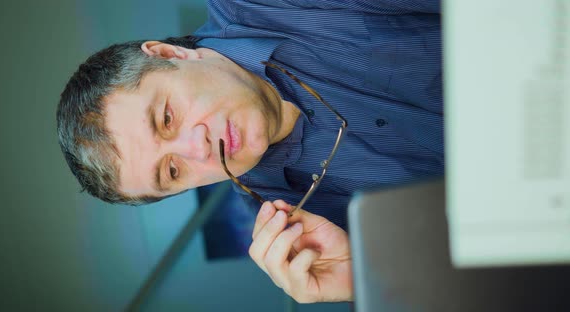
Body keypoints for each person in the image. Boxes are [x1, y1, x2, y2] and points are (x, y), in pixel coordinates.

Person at [57, 0, 443, 303]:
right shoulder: (299, 226)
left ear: (170, 55)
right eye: (173, 171)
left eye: (167, 117)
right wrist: (369, 277)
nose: (198, 148)